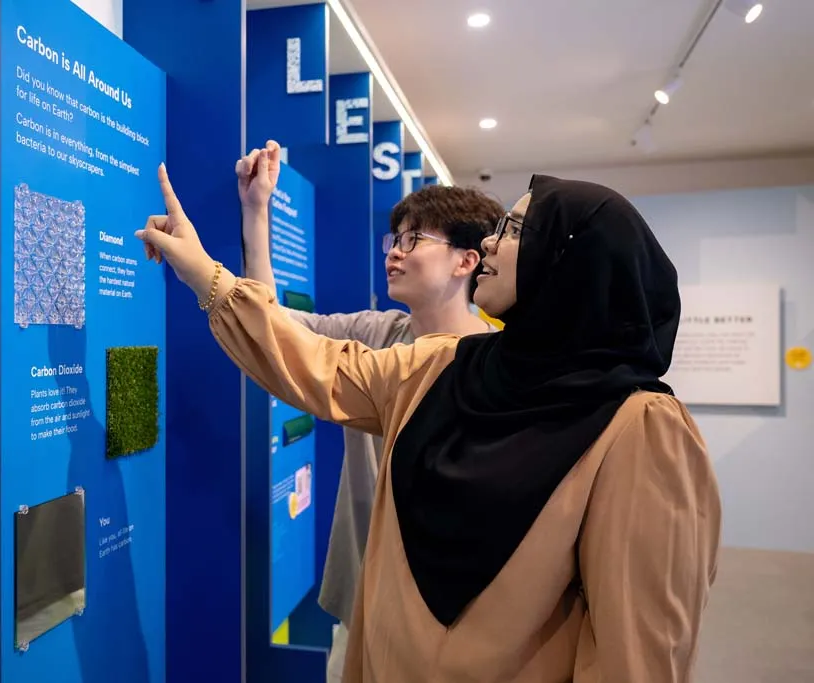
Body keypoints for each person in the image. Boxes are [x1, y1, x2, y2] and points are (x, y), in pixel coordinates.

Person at [137, 165, 722, 682]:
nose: (491, 245)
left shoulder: (639, 427)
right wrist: (205, 275)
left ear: (571, 260)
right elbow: (312, 363)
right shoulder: (443, 364)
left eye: (516, 231)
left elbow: (639, 653)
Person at [235, 140, 502, 678]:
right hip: (363, 589)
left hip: (448, 607)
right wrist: (257, 208)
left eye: (413, 240)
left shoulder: (500, 363)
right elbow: (274, 325)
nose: (394, 252)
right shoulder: (378, 333)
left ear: (466, 261)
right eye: (394, 239)